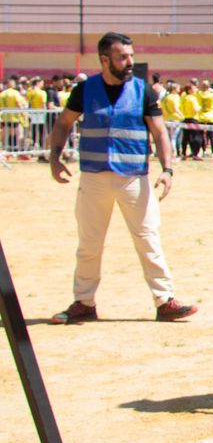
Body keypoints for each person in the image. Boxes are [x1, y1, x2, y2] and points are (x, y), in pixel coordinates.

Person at [46, 32, 198, 325]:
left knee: (148, 238)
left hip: (134, 179)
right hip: (93, 178)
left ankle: (165, 300)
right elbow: (63, 123)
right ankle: (83, 302)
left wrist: (167, 170)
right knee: (89, 243)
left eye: (130, 55)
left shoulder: (144, 91)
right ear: (105, 59)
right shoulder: (84, 90)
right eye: (122, 57)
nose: (129, 61)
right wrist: (55, 156)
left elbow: (159, 132)